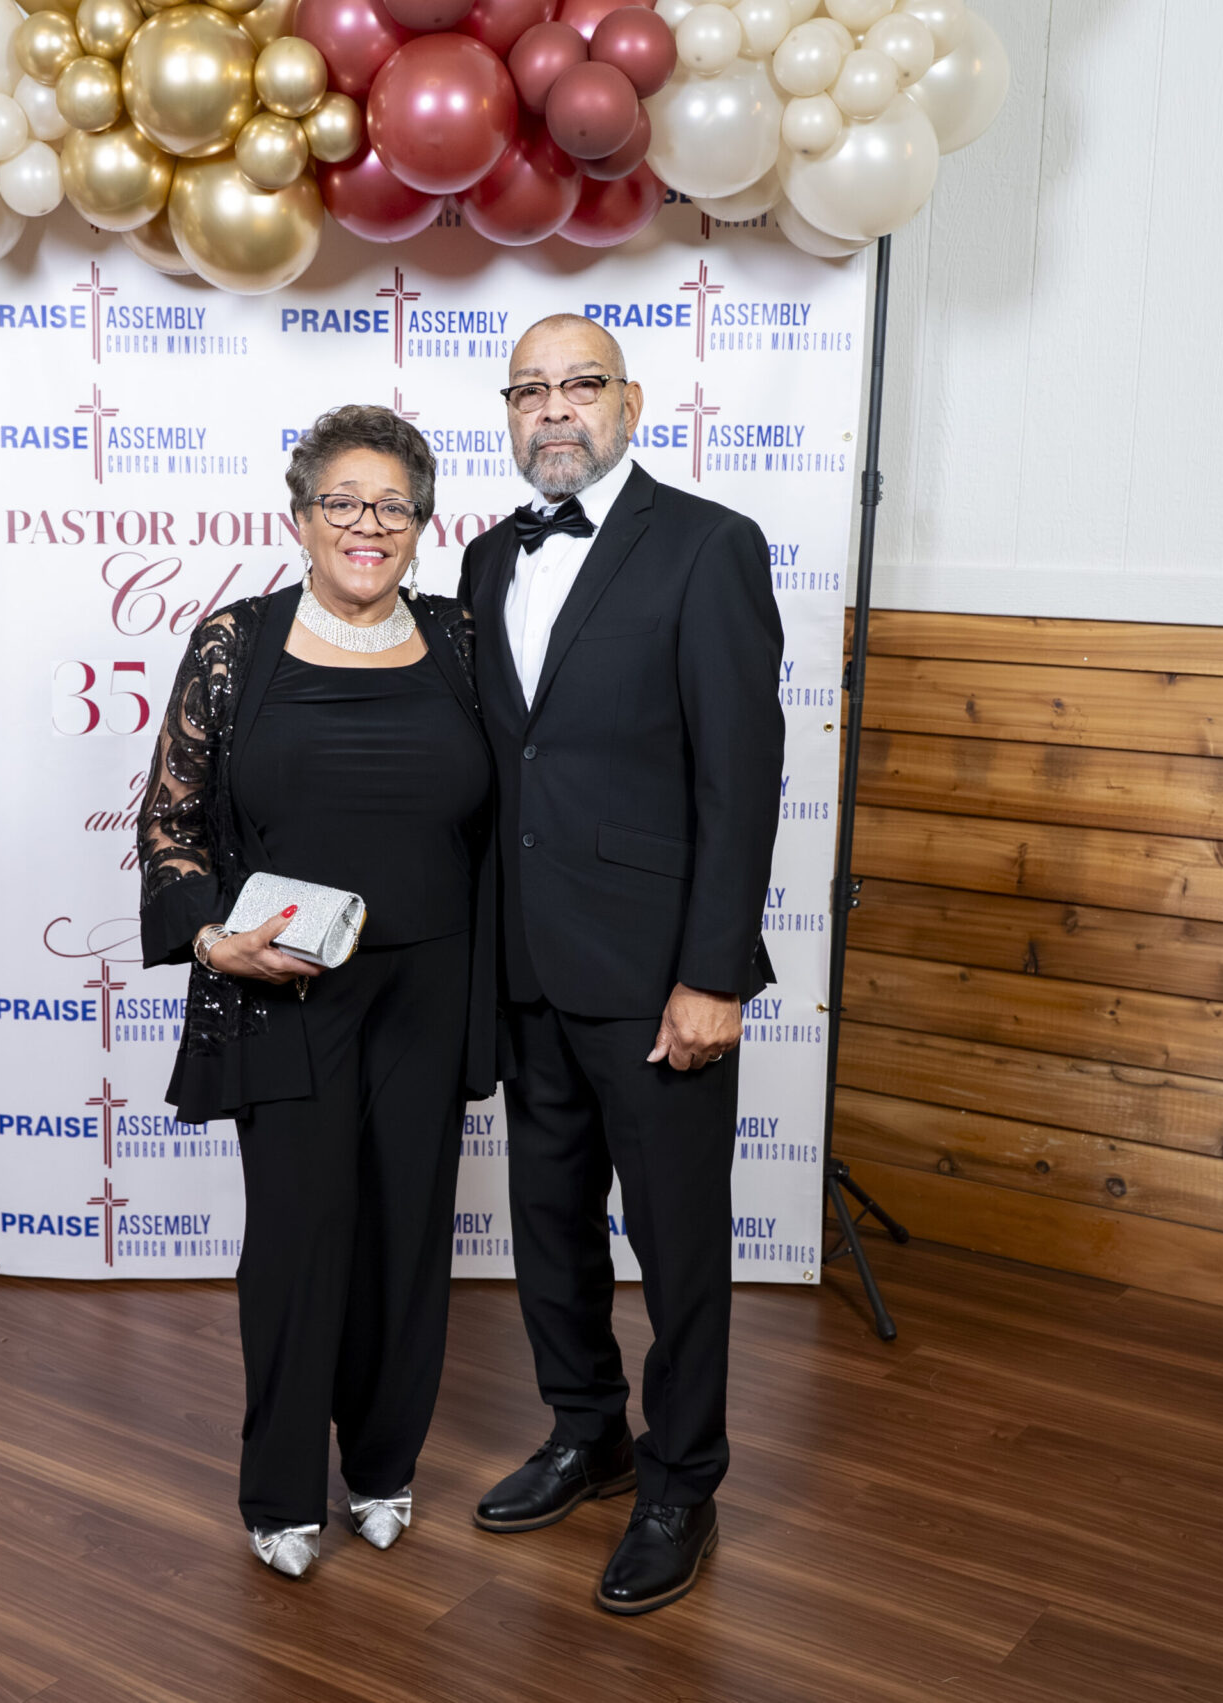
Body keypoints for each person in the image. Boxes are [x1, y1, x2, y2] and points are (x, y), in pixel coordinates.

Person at [457, 315, 785, 1615]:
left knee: (679, 1244)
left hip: (658, 979)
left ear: (630, 403)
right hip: (525, 963)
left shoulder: (709, 544)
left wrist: (714, 973)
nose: (553, 408)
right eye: (529, 390)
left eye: (579, 384)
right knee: (546, 1224)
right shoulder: (486, 556)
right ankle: (585, 1429)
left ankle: (680, 1480)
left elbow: (740, 779)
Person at [137, 405, 497, 1580]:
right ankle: (282, 1490)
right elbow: (172, 820)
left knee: (407, 1239)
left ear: (422, 524)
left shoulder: (461, 638)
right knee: (297, 1240)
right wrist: (210, 939)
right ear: (299, 517)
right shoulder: (235, 642)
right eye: (342, 500)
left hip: (431, 986)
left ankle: (384, 1467)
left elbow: (517, 809)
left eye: (391, 504)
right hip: (286, 987)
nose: (366, 523)